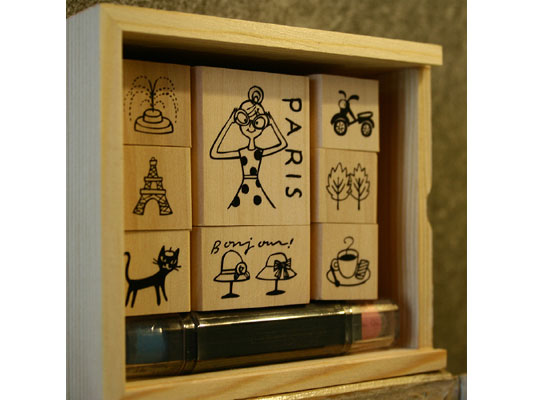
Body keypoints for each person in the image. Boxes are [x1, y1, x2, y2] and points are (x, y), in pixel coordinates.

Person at [210, 86, 288, 208]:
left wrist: (272, 123)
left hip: (256, 189)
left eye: (257, 122)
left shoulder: (259, 152)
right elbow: (214, 153)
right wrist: (230, 122)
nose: (251, 127)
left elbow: (283, 144)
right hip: (245, 188)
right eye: (245, 121)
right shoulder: (242, 152)